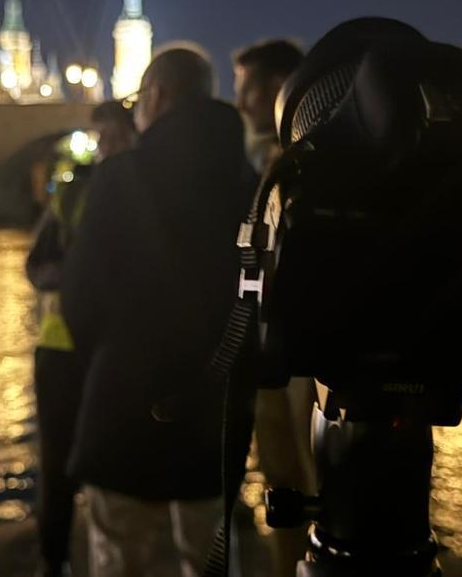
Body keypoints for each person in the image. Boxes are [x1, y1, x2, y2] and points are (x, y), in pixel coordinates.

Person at [61, 46, 257, 577]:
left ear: (157, 94)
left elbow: (78, 299)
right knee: (211, 553)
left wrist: (108, 358)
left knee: (122, 553)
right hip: (210, 402)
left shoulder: (120, 177)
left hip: (126, 398)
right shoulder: (251, 183)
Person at [26, 101, 136, 577]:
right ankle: (55, 560)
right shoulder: (73, 191)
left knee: (110, 461)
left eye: (113, 134)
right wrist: (75, 280)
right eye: (100, 134)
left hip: (111, 349)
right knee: (56, 463)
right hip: (61, 347)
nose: (105, 143)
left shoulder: (141, 188)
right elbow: (37, 263)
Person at [233, 39, 315, 577]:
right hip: (270, 352)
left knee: (313, 483)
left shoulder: (308, 158)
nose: (238, 103)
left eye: (244, 89)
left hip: (306, 358)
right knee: (282, 485)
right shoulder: (266, 157)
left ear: (270, 91)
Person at [232, 39, 304, 174]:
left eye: (247, 91)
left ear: (279, 87)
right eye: (238, 94)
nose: (240, 105)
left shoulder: (305, 160)